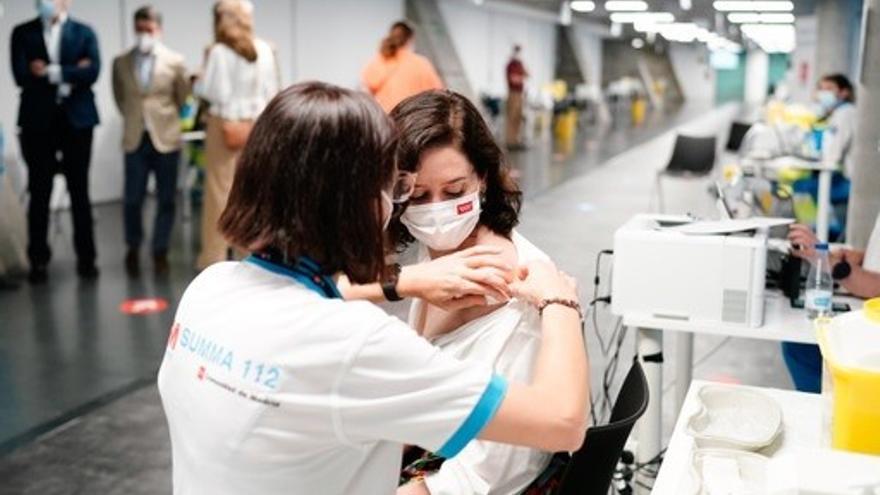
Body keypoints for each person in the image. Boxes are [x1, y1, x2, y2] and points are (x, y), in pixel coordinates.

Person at [158, 81, 589, 495]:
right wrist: (560, 297)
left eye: (452, 190)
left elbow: (305, 297)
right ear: (356, 204)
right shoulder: (355, 342)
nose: (409, 204)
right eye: (400, 189)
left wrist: (404, 283)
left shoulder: (209, 287)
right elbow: (561, 420)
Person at [387, 90, 553, 495]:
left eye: (454, 190)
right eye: (419, 196)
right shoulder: (438, 258)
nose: (436, 211)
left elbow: (486, 478)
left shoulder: (518, 304)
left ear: (482, 178)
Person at [10, 0, 100, 283]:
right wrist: (73, 70)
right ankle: (38, 260)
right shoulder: (23, 33)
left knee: (80, 191)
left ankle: (87, 258)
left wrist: (49, 71)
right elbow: (21, 75)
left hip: (77, 121)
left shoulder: (84, 32)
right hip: (38, 123)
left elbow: (92, 72)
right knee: (40, 191)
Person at [193, 0, 279, 270]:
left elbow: (214, 92)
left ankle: (214, 259)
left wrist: (198, 80)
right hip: (256, 125)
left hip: (224, 125)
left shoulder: (218, 51)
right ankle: (250, 254)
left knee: (219, 193)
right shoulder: (265, 49)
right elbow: (272, 90)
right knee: (252, 191)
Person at [112, 5, 189, 277]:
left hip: (165, 138)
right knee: (132, 198)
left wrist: (164, 118)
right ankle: (133, 245)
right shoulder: (120, 62)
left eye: (150, 29)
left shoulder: (174, 61)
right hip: (135, 138)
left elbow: (183, 98)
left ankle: (160, 250)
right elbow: (120, 97)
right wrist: (136, 118)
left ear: (159, 29)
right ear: (135, 28)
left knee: (166, 198)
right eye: (140, 29)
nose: (145, 34)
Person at [783, 217, 880, 393]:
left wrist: (826, 259)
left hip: (873, 327)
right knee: (798, 343)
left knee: (803, 347)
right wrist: (862, 256)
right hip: (866, 309)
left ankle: (827, 410)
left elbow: (876, 288)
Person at [362, 21, 443, 113]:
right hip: (411, 119)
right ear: (410, 40)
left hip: (385, 118)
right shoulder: (421, 63)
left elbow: (368, 85)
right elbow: (437, 93)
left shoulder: (380, 60)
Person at [505, 45, 528, 149]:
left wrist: (521, 75)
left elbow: (527, 74)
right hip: (513, 93)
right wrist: (521, 77)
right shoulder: (511, 65)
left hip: (520, 94)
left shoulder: (519, 64)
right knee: (512, 117)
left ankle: (516, 141)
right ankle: (510, 141)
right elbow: (514, 80)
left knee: (518, 118)